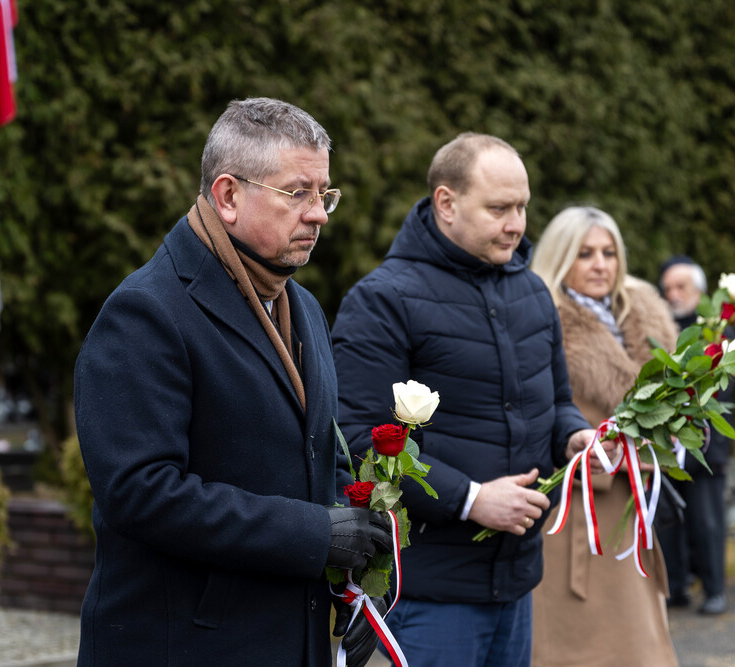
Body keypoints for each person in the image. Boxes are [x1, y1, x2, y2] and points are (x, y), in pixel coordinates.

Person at [73, 98, 393, 666]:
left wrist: (355, 569)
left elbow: (320, 457)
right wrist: (315, 535)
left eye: (325, 194)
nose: (318, 213)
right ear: (227, 196)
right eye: (299, 193)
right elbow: (141, 493)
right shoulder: (146, 312)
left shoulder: (305, 307)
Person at [332, 133, 596, 667]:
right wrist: (472, 498)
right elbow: (359, 443)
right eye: (499, 208)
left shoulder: (532, 292)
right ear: (446, 204)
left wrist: (574, 433)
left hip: (517, 580)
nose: (517, 224)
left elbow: (557, 400)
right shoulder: (382, 301)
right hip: (432, 591)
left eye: (522, 206)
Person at [529, 206, 680, 666]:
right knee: (579, 648)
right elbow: (535, 417)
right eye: (585, 253)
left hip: (629, 513)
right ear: (560, 258)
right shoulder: (541, 321)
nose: (600, 264)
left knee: (640, 647)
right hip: (572, 516)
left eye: (609, 252)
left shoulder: (645, 319)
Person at [656, 256, 732, 615]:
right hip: (665, 445)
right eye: (667, 287)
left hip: (705, 445)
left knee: (707, 522)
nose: (672, 294)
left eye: (680, 287)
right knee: (668, 520)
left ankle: (715, 588)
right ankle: (675, 587)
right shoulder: (658, 328)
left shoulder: (716, 333)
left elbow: (724, 390)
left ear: (700, 291)